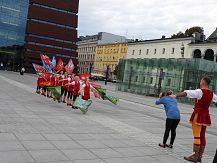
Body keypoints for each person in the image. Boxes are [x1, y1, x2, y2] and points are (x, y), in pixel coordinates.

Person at [171, 76, 217, 162]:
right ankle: (199, 156)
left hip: (198, 115)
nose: (200, 82)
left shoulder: (200, 91)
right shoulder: (212, 94)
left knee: (197, 136)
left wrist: (176, 95)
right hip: (206, 115)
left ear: (203, 82)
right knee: (202, 135)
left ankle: (194, 156)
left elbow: (187, 93)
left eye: (200, 81)